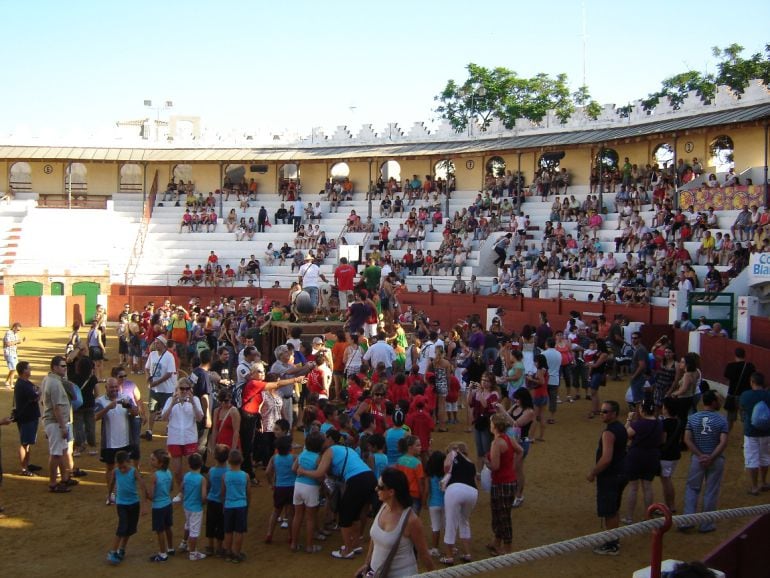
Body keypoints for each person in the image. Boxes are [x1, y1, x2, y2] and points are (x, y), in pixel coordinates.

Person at [296, 429, 377, 560]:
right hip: (369, 477)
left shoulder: (329, 451)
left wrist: (303, 471)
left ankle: (347, 549)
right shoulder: (346, 449)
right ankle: (355, 545)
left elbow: (319, 473)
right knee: (355, 514)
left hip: (356, 481)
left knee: (345, 516)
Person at [357, 467, 434, 577]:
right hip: (376, 573)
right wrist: (367, 564)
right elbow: (375, 539)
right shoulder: (383, 507)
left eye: (380, 487)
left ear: (391, 492)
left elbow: (424, 554)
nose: (376, 489)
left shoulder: (411, 521)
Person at [680, 390, 728, 533]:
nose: (720, 403)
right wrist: (711, 457)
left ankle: (687, 521)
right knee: (711, 491)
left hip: (697, 460)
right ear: (713, 402)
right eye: (718, 400)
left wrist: (700, 455)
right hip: (716, 459)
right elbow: (723, 442)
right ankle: (706, 524)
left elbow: (687, 439)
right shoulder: (722, 419)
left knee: (692, 488)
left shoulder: (693, 418)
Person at [586, 400, 627, 556]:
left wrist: (593, 473)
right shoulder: (621, 428)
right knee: (614, 508)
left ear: (614, 414)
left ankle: (612, 544)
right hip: (621, 473)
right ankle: (613, 540)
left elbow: (606, 458)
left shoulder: (609, 433)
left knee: (609, 510)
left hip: (610, 476)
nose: (602, 414)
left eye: (605, 412)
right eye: (601, 411)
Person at [95, 377, 139, 504]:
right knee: (110, 467)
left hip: (125, 440)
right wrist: (108, 407)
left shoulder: (125, 398)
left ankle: (125, 491)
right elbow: (95, 417)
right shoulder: (100, 400)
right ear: (106, 388)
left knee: (127, 466)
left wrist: (130, 406)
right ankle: (111, 494)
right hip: (109, 442)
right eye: (111, 387)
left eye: (115, 387)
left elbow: (136, 413)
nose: (114, 390)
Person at [484, 414, 523, 555]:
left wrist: (486, 463)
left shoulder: (496, 443)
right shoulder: (508, 438)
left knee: (502, 515)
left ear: (494, 426)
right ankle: (497, 541)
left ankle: (507, 548)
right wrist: (513, 467)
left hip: (500, 483)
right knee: (499, 513)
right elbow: (520, 451)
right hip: (509, 481)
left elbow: (495, 466)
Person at [622, 399, 663, 524]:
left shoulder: (637, 424)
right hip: (652, 456)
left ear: (643, 410)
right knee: (648, 487)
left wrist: (629, 420)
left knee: (633, 487)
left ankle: (629, 517)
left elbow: (624, 435)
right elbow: (662, 440)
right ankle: (648, 516)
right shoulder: (659, 424)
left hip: (636, 455)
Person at [161, 378, 204, 496]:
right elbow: (164, 418)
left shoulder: (195, 400)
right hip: (174, 438)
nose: (184, 391)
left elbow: (200, 418)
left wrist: (193, 403)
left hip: (190, 437)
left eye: (187, 388)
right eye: (182, 388)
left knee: (193, 467)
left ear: (191, 389)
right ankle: (182, 492)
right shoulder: (170, 400)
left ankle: (194, 492)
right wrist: (172, 404)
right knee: (177, 470)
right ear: (177, 389)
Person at [106, 450, 147, 565]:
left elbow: (142, 486)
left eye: (124, 466)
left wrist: (144, 505)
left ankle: (122, 549)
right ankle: (113, 551)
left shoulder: (134, 471)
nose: (122, 469)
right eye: (120, 467)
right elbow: (112, 483)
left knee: (130, 528)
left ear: (128, 462)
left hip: (134, 503)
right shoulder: (116, 472)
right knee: (122, 526)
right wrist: (109, 495)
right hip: (122, 504)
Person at [440, 442, 477, 565]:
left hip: (455, 489)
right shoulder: (471, 463)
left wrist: (447, 472)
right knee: (464, 520)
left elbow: (446, 466)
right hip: (472, 492)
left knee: (450, 522)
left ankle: (449, 556)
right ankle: (467, 553)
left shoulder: (453, 453)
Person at [42, 355, 76, 493]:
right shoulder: (55, 383)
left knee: (61, 451)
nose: (65, 368)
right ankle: (53, 483)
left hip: (56, 422)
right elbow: (56, 407)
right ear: (54, 367)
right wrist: (63, 426)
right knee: (56, 453)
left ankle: (64, 478)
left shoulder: (51, 379)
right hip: (56, 423)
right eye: (62, 366)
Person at [291, 430, 325, 553]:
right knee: (310, 518)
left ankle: (294, 543)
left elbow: (294, 468)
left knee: (297, 515)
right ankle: (309, 546)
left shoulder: (302, 454)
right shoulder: (318, 458)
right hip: (311, 488)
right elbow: (321, 476)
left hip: (298, 485)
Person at [739, 372, 770, 495]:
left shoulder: (746, 395)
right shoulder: (768, 395)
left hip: (751, 432)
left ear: (752, 382)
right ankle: (764, 482)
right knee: (765, 457)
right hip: (767, 431)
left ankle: (754, 486)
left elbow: (742, 408)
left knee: (752, 458)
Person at [145, 335, 177, 441]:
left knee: (168, 410)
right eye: (155, 342)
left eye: (157, 342)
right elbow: (147, 368)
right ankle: (149, 430)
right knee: (152, 409)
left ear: (163, 344)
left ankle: (169, 428)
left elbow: (169, 373)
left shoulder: (169, 356)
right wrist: (148, 378)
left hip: (167, 390)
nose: (155, 344)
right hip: (154, 389)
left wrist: (156, 382)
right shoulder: (152, 354)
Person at [13, 361, 41, 476]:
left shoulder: (23, 382)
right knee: (24, 443)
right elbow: (36, 396)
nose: (30, 370)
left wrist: (37, 392)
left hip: (28, 416)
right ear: (24, 371)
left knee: (27, 442)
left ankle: (27, 464)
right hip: (27, 417)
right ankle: (24, 468)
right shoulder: (23, 385)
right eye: (29, 368)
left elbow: (35, 392)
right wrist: (39, 392)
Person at [222, 449, 250, 563]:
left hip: (229, 505)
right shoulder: (245, 476)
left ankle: (228, 553)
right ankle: (236, 553)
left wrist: (224, 504)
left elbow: (223, 492)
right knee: (239, 531)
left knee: (228, 531)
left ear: (229, 461)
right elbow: (248, 493)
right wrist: (248, 504)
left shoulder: (225, 476)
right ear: (241, 461)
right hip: (241, 505)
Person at [147, 448, 175, 562]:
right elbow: (172, 488)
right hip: (168, 504)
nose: (151, 461)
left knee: (160, 530)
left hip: (158, 507)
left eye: (153, 460)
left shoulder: (155, 476)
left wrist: (145, 493)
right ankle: (171, 548)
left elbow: (152, 496)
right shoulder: (168, 473)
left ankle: (163, 554)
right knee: (168, 527)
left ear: (160, 463)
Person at [179, 452, 208, 560]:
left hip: (187, 505)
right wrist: (205, 501)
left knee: (188, 524)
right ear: (201, 464)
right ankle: (192, 553)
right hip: (196, 508)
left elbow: (181, 488)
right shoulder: (202, 479)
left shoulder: (186, 476)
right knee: (194, 530)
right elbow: (204, 496)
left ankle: (184, 543)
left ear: (189, 464)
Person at [3, 322, 24, 387]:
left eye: (19, 330)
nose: (18, 331)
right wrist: (17, 341)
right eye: (17, 330)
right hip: (8, 353)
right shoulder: (8, 333)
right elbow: (8, 344)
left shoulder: (16, 334)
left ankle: (7, 381)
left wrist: (21, 341)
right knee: (13, 368)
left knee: (13, 368)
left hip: (14, 353)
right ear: (14, 327)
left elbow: (15, 342)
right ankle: (11, 384)